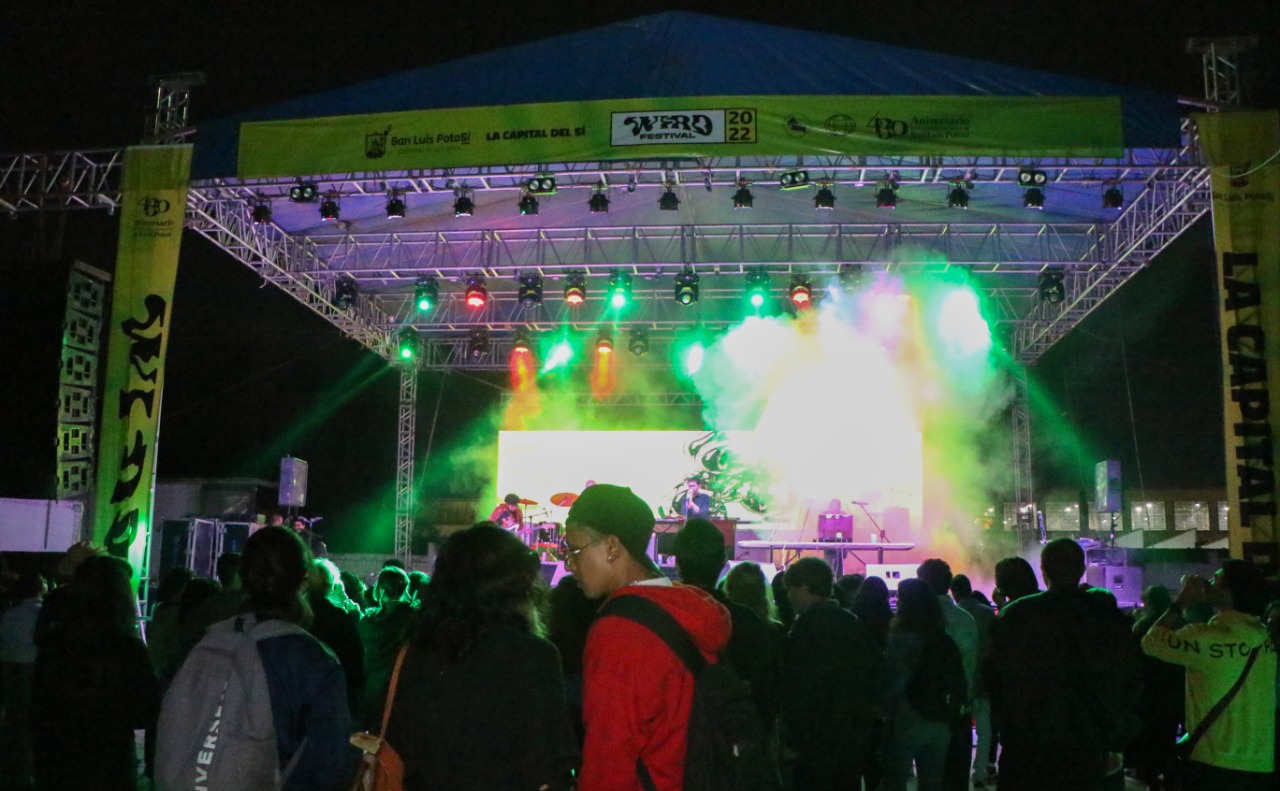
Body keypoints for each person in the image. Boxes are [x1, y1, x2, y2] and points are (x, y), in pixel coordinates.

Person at [382, 523, 579, 790]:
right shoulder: (533, 656)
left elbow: (397, 744)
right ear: (516, 586)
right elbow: (547, 766)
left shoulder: (413, 652)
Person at [564, 483, 730, 791]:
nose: (568, 563)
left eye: (574, 549)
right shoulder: (686, 609)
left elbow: (610, 754)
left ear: (612, 546)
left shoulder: (621, 630)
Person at [209, 524, 355, 789]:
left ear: (244, 577)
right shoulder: (315, 661)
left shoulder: (206, 643)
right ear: (303, 581)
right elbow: (330, 766)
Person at [986, 539, 1136, 791]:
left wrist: (1008, 729)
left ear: (1043, 570)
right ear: (1082, 570)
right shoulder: (1104, 616)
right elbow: (1127, 678)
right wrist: (1115, 740)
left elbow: (995, 681)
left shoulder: (1016, 615)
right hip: (1089, 746)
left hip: (1029, 746)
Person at [1140, 560, 1276, 790]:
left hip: (1211, 763)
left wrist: (1181, 602)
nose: (1208, 584)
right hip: (1260, 764)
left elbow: (1151, 641)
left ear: (1229, 594)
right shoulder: (1264, 639)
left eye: (1215, 580)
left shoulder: (1206, 638)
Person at [30, 555, 160, 791]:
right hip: (109, 761)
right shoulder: (126, 648)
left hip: (57, 758)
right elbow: (145, 712)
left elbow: (38, 703)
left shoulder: (55, 643)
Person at [781, 556, 887, 791]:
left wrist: (793, 740)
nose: (789, 596)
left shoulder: (804, 629)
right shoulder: (853, 623)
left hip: (815, 744)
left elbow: (799, 689)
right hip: (852, 739)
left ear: (804, 588)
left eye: (791, 589)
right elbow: (876, 675)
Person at [879, 578, 958, 791]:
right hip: (939, 716)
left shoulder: (903, 636)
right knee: (932, 783)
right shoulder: (942, 635)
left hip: (908, 716)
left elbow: (896, 679)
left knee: (894, 781)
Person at [916, 559, 978, 791]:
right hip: (961, 710)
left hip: (928, 712)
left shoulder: (920, 621)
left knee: (931, 779)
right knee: (957, 778)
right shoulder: (966, 619)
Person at [950, 573, 996, 789]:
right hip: (984, 678)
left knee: (959, 728)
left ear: (954, 591)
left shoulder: (953, 615)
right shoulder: (988, 613)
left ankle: (957, 770)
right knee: (985, 729)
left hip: (959, 680)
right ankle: (979, 773)